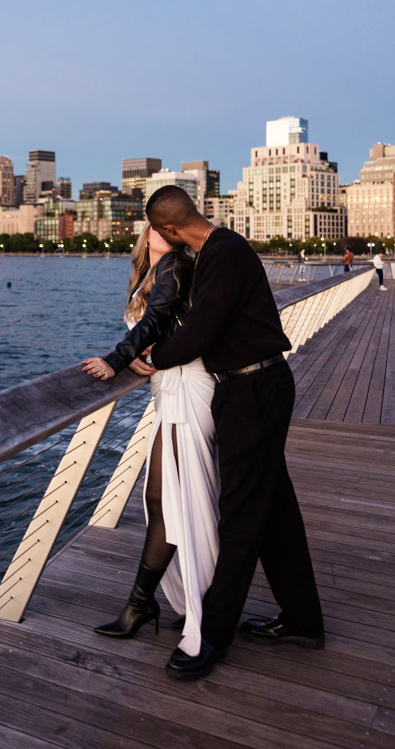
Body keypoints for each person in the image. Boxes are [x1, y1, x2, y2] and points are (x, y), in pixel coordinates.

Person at [144, 186, 323, 680]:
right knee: (275, 508)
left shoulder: (221, 254)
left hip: (252, 389)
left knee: (241, 516)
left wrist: (150, 361)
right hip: (252, 385)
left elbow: (202, 330)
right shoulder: (226, 247)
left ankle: (210, 637)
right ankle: (304, 620)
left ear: (169, 230)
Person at [82, 223, 219, 659]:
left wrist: (117, 359)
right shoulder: (154, 271)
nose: (160, 231)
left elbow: (159, 320)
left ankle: (151, 605)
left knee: (176, 498)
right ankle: (158, 600)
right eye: (154, 226)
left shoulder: (177, 265)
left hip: (187, 386)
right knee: (161, 498)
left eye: (167, 226)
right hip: (167, 390)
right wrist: (143, 356)